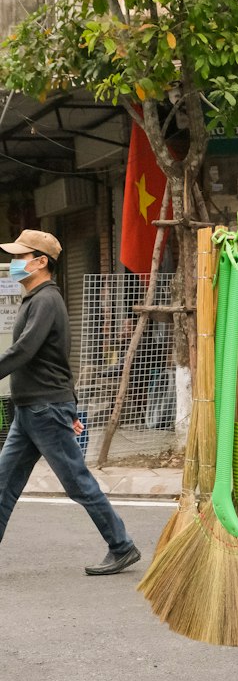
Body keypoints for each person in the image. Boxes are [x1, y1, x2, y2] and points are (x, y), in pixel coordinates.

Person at [0, 229, 142, 576]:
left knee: (77, 482)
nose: (14, 264)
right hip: (33, 408)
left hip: (45, 408)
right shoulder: (35, 299)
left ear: (40, 262)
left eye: (20, 257)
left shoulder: (46, 300)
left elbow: (25, 350)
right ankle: (121, 545)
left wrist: (66, 408)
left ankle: (121, 546)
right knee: (3, 482)